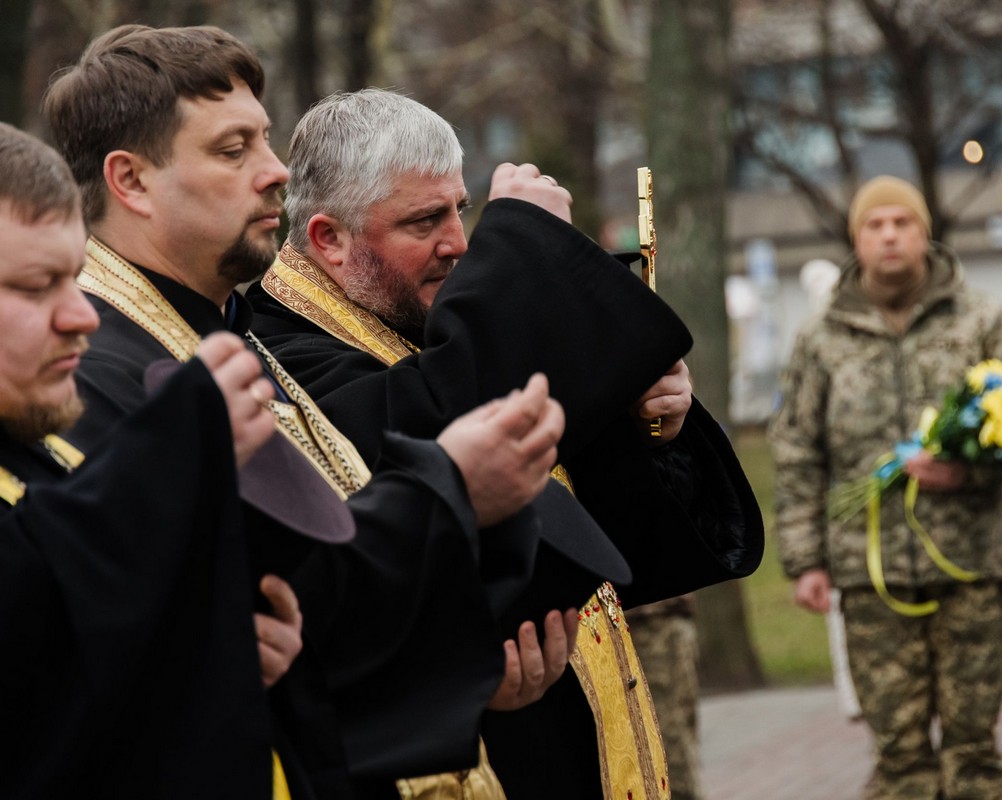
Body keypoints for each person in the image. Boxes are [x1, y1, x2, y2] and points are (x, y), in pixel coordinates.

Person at [43, 24, 585, 799]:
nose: (275, 173)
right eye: (233, 151)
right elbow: (221, 643)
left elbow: (302, 606)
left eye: (266, 142)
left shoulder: (219, 328)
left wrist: (450, 664)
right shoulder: (99, 367)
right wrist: (454, 491)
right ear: (129, 181)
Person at [247, 88, 765, 800]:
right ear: (329, 240)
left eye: (462, 209)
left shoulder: (424, 319)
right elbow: (438, 425)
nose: (459, 243)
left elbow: (624, 544)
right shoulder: (277, 357)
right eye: (425, 220)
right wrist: (522, 243)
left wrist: (650, 425)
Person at [0, 120, 295, 796]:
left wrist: (212, 646)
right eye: (31, 286)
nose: (81, 317)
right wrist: (178, 447)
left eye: (72, 279)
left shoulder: (39, 449)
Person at [769, 176, 1002, 800]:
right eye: (875, 224)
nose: (889, 234)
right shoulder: (820, 339)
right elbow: (795, 452)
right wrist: (806, 561)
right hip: (871, 582)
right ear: (856, 239)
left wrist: (967, 471)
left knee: (973, 753)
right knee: (900, 760)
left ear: (925, 233)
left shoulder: (982, 319)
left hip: (969, 565)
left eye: (903, 222)